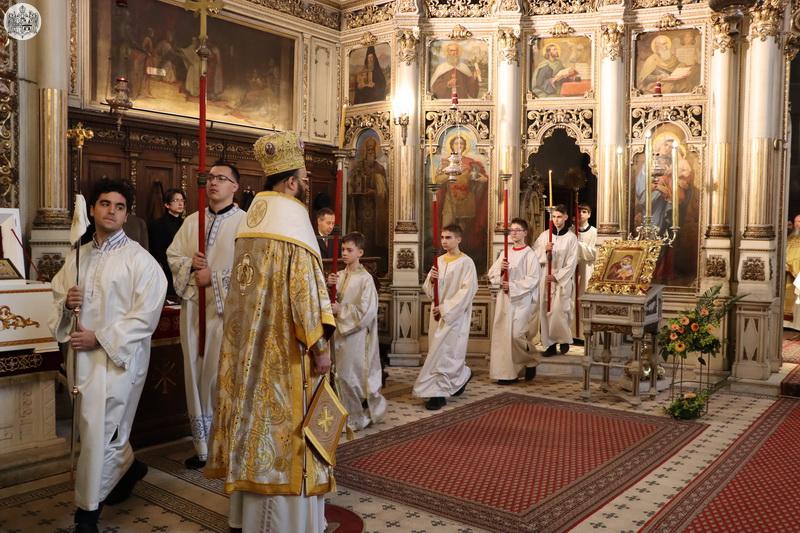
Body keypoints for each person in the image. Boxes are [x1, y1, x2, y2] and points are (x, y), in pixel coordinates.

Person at [206, 130, 335, 533]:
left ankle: (243, 516)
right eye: (304, 178)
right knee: (285, 432)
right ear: (291, 182)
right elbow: (305, 295)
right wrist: (320, 347)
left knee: (253, 426)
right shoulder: (293, 224)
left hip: (247, 351)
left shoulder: (250, 221)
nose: (306, 185)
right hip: (284, 355)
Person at [49, 178, 167, 533]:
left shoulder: (141, 261)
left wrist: (99, 337)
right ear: (93, 209)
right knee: (90, 430)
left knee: (104, 431)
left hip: (118, 361)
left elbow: (145, 316)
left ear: (126, 214)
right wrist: (66, 304)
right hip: (82, 361)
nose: (111, 211)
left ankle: (87, 514)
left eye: (119, 206)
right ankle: (129, 468)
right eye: (104, 204)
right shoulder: (77, 257)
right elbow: (56, 299)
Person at [167, 160, 245, 470]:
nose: (213, 182)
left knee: (218, 375)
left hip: (226, 314)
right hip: (194, 308)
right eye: (210, 177)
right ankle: (202, 446)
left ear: (235, 186)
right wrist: (190, 265)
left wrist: (214, 277)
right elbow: (173, 255)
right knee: (195, 372)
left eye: (221, 178)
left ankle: (226, 444)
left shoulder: (245, 224)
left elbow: (251, 270)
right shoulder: (192, 222)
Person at [327, 231, 386, 430]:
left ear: (360, 252)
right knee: (336, 375)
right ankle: (340, 416)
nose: (344, 253)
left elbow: (366, 312)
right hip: (337, 333)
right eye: (343, 249)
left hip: (355, 336)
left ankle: (356, 418)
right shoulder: (339, 275)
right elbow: (329, 301)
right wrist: (328, 286)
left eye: (349, 250)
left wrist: (341, 310)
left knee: (349, 377)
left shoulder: (366, 279)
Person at [414, 224, 478, 410]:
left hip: (454, 316)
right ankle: (460, 377)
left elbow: (467, 291)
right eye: (442, 237)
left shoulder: (466, 263)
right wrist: (431, 280)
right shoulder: (439, 261)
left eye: (448, 237)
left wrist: (444, 308)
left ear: (459, 239)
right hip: (437, 315)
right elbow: (429, 290)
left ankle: (439, 394)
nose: (444, 241)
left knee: (448, 354)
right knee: (436, 353)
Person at [487, 218, 540, 384]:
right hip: (505, 299)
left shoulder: (529, 254)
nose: (514, 233)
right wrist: (500, 272)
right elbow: (492, 274)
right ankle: (507, 372)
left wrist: (512, 286)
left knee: (517, 335)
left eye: (517, 230)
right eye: (512, 230)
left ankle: (529, 360)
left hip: (522, 300)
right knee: (504, 335)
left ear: (525, 233)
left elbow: (533, 279)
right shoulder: (505, 252)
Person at [433, 134, 489, 270]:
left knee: (462, 230)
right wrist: (449, 173)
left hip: (467, 199)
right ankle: (444, 255)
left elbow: (483, 178)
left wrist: (478, 178)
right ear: (451, 146)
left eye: (461, 144)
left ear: (465, 147)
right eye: (456, 144)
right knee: (446, 226)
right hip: (450, 200)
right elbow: (437, 180)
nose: (459, 146)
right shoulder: (446, 163)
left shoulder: (471, 162)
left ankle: (460, 257)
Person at [534, 204, 578, 356]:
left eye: (559, 217)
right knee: (546, 312)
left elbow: (572, 262)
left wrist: (557, 276)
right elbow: (534, 256)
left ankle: (564, 340)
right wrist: (544, 250)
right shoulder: (544, 236)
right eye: (554, 217)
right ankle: (550, 345)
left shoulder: (571, 238)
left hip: (561, 281)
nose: (556, 220)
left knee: (560, 312)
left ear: (565, 217)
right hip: (546, 278)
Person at [348, 136, 389, 270]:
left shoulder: (379, 168)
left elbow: (383, 192)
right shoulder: (358, 166)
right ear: (364, 150)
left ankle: (372, 265)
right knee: (360, 235)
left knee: (372, 238)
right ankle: (358, 263)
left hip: (375, 211)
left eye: (372, 149)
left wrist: (375, 192)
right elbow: (351, 185)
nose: (370, 151)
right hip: (360, 207)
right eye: (368, 149)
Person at [148, 188, 185, 297]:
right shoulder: (157, 224)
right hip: (165, 270)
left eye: (182, 200)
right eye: (176, 200)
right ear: (167, 205)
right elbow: (156, 251)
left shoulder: (186, 223)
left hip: (183, 269)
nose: (180, 203)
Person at [573, 204, 597, 345]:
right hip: (573, 271)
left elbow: (593, 253)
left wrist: (579, 245)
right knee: (572, 301)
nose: (581, 214)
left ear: (589, 214)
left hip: (586, 269)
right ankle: (572, 334)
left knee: (584, 300)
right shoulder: (571, 231)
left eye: (584, 211)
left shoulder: (594, 232)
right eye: (579, 212)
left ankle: (584, 335)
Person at [786, 215, 800, 328]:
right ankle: (787, 324)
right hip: (788, 272)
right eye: (796, 221)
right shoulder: (790, 237)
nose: (797, 224)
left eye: (799, 221)